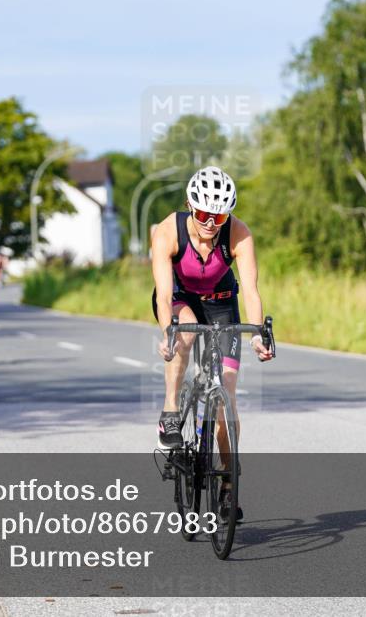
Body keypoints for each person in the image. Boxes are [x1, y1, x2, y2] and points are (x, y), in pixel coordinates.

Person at [150, 166, 274, 521]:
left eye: (218, 215)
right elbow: (161, 292)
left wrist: (256, 336)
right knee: (185, 331)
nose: (210, 223)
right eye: (203, 214)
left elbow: (250, 288)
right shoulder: (168, 231)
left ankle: (228, 488)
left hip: (222, 303)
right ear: (190, 206)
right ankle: (171, 412)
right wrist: (166, 331)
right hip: (180, 298)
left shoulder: (238, 233)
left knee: (227, 399)